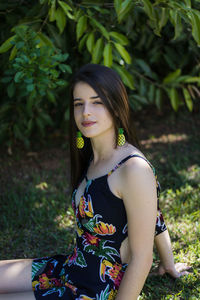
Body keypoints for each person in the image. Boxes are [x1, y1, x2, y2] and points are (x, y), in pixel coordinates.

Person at [0, 64, 189, 300]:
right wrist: (168, 262)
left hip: (94, 289)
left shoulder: (133, 169)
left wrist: (161, 261)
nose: (86, 112)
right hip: (72, 267)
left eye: (97, 102)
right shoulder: (92, 158)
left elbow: (142, 258)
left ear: (116, 107)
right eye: (78, 103)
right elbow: (154, 214)